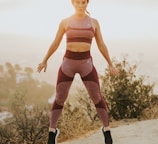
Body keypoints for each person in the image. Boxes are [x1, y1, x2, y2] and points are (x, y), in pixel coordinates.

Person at [37, 0, 119, 144]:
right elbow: (56, 42)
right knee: (60, 98)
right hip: (68, 63)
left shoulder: (94, 22)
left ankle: (107, 130)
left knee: (97, 97)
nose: (81, 5)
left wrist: (110, 64)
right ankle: (52, 132)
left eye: (83, 2)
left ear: (87, 3)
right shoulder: (65, 22)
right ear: (72, 3)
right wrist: (45, 60)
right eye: (77, 2)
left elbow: (101, 44)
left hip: (86, 64)